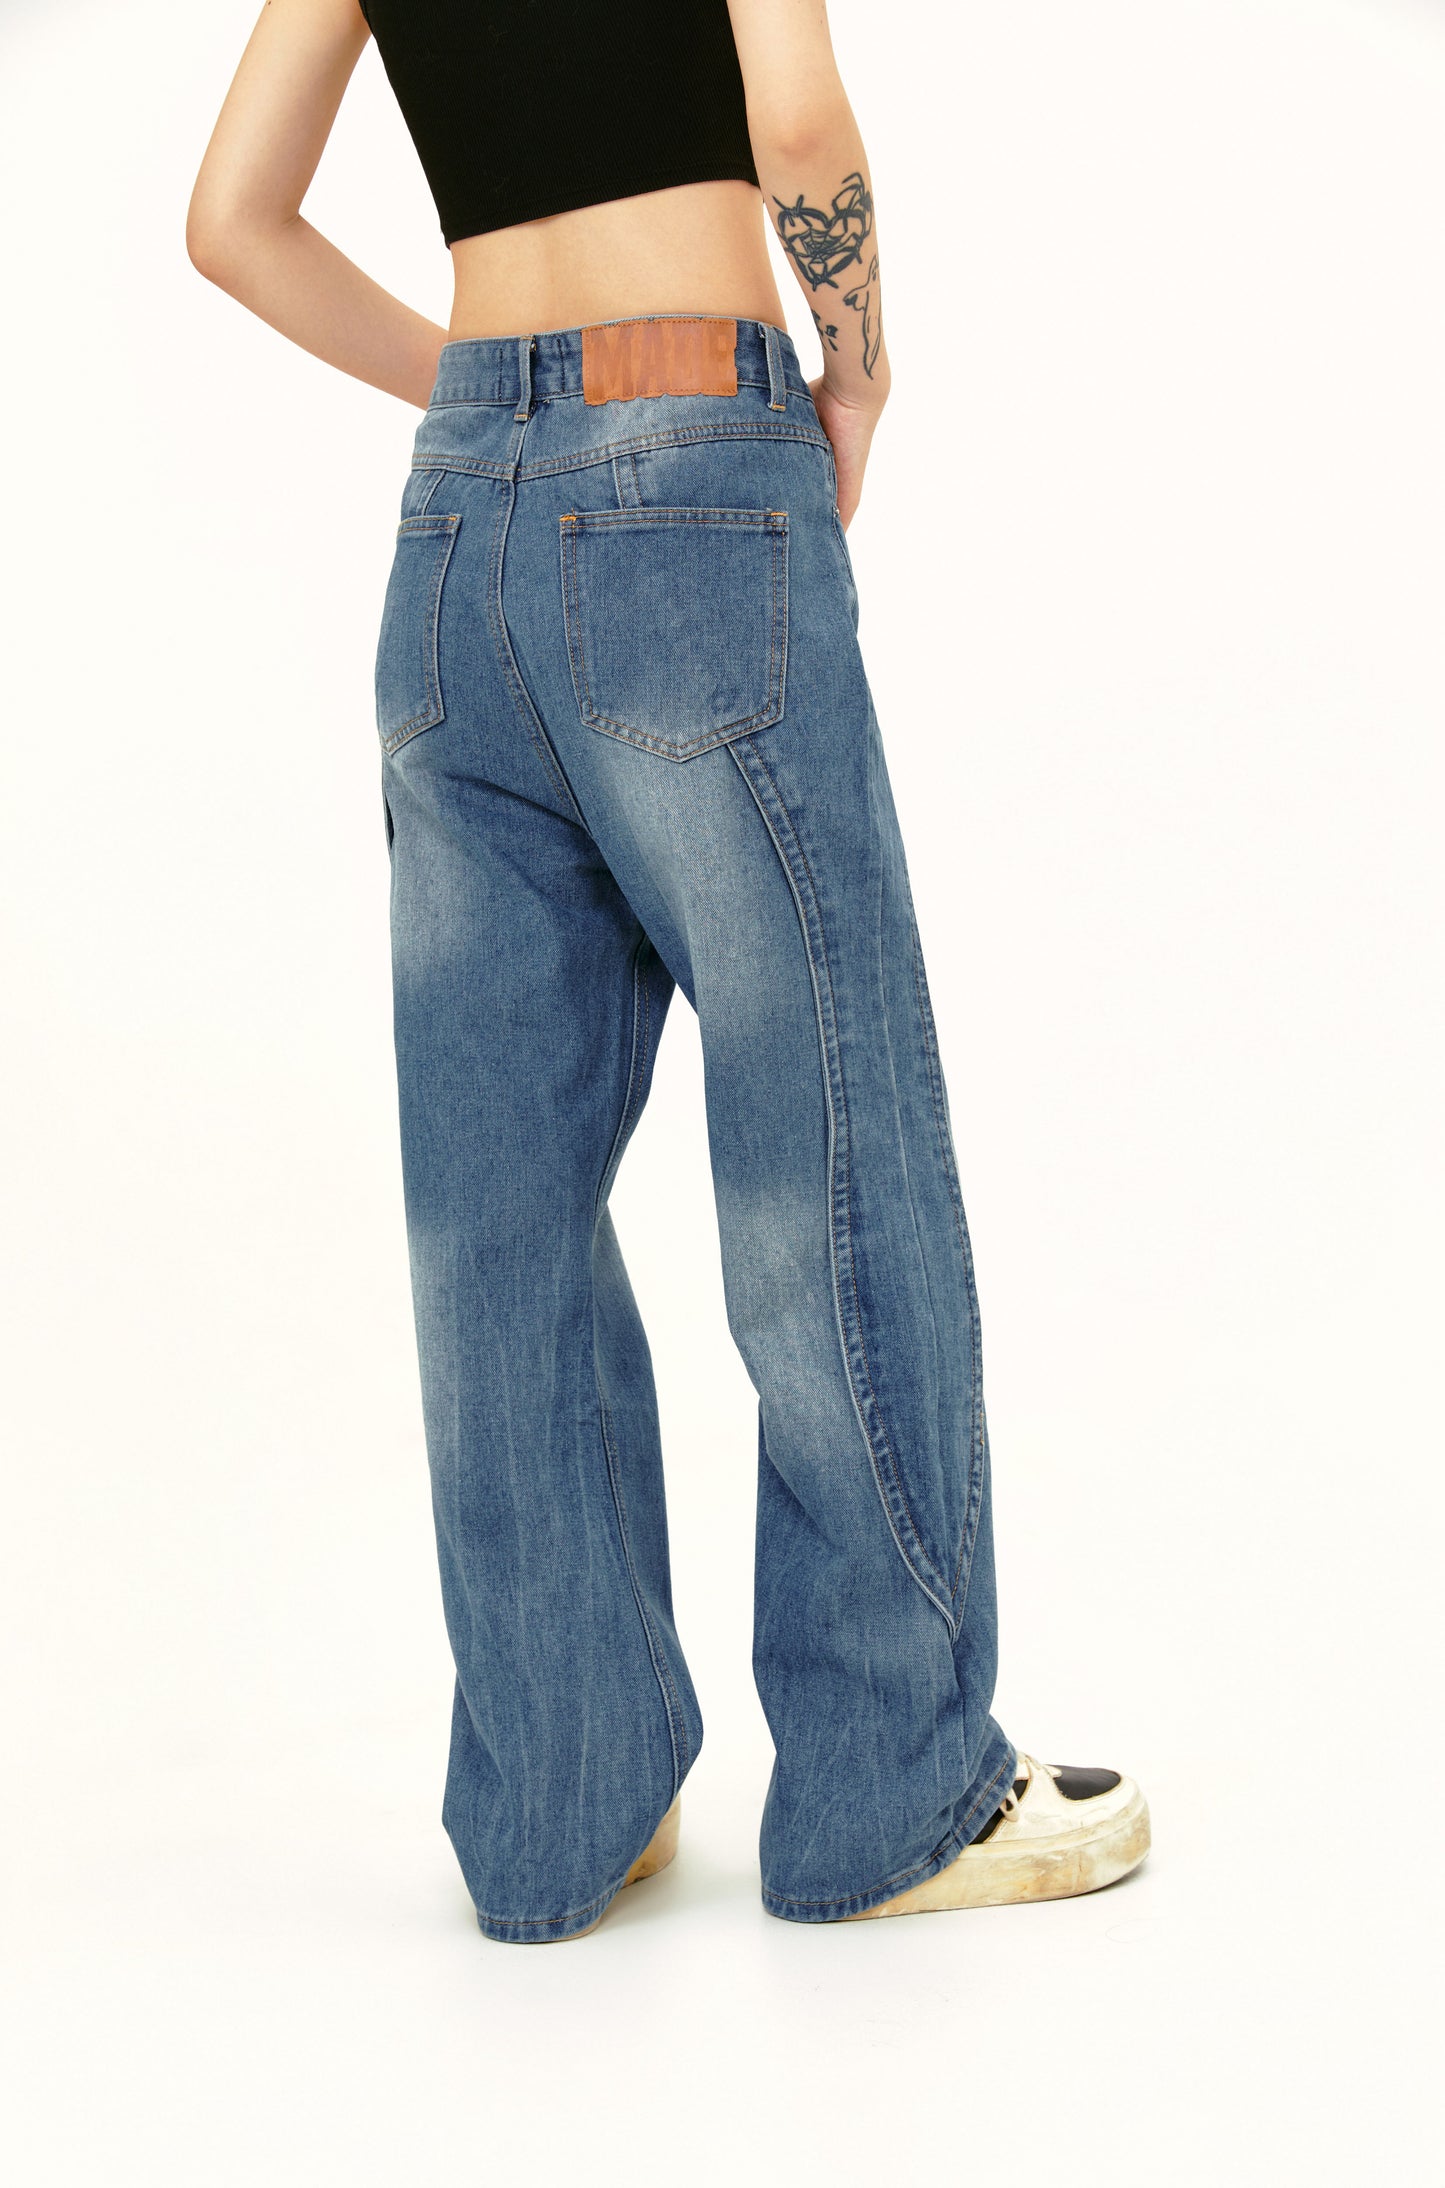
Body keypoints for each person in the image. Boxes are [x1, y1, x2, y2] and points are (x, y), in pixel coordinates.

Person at [188, 0, 1149, 1942]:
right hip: (691, 465)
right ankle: (892, 1787)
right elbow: (793, 118)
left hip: (455, 523)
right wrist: (858, 366)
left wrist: (484, 400)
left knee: (496, 1210)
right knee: (832, 1142)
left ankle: (562, 1794)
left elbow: (232, 220)